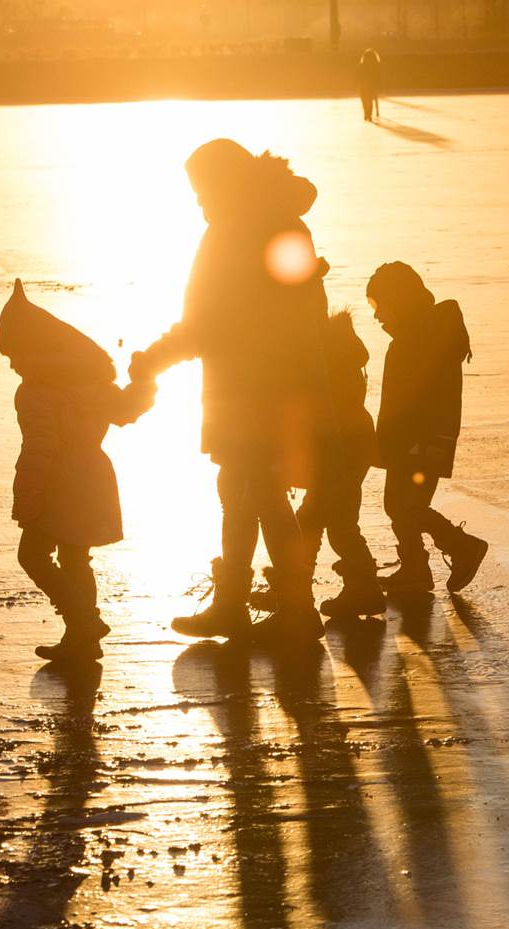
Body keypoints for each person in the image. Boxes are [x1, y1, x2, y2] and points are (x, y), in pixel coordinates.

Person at [134, 139, 330, 645]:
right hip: (263, 384)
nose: (200, 203)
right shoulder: (272, 222)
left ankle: (295, 609)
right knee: (239, 491)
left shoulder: (241, 230)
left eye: (203, 191)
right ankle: (235, 603)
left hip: (257, 388)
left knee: (260, 491)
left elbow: (210, 321)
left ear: (226, 182)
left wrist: (154, 358)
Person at [0, 279, 156, 663]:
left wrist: (29, 497)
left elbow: (40, 448)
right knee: (74, 557)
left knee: (33, 556)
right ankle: (84, 635)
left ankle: (82, 621)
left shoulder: (36, 392)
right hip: (93, 477)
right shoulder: (90, 380)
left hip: (58, 485)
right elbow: (126, 410)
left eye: (14, 354)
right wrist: (146, 380)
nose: (14, 364)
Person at [365, 261, 486, 596]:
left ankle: (462, 547)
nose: (377, 317)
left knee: (408, 505)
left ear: (399, 301)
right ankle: (416, 567)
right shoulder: (416, 336)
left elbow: (416, 401)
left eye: (379, 306)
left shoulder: (422, 339)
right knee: (398, 504)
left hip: (421, 441)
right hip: (414, 439)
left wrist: (398, 442)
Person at [293, 310, 385, 621]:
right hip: (354, 440)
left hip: (341, 443)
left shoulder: (327, 354)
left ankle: (299, 588)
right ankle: (358, 587)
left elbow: (321, 408)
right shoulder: (342, 348)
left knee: (322, 519)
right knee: (331, 518)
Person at [358, 49, 381, 123]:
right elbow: (377, 76)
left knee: (364, 100)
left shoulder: (361, 65)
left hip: (363, 85)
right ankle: (369, 115)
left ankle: (366, 114)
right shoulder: (375, 65)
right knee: (370, 100)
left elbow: (358, 75)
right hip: (371, 85)